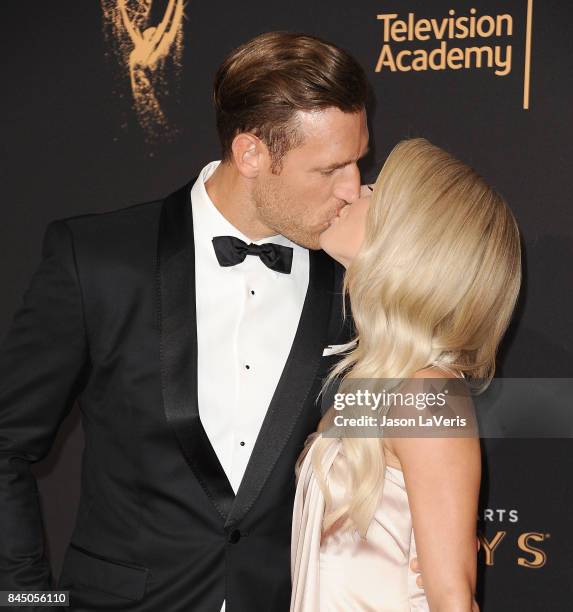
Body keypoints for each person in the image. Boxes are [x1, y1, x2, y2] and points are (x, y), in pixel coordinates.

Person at [0, 32, 426, 611]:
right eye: (329, 168)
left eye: (358, 160)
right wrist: (26, 603)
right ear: (251, 154)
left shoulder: (350, 280)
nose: (353, 189)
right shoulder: (98, 258)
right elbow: (7, 445)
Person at [290, 137, 522, 611]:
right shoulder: (370, 387)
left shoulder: (427, 392)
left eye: (374, 190)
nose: (354, 192)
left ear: (410, 237)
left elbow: (452, 601)